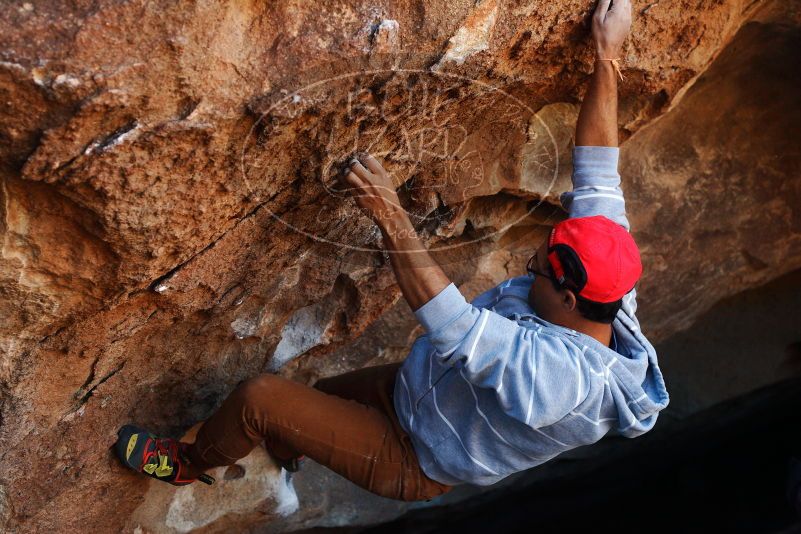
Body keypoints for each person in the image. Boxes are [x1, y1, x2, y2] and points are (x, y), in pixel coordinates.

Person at [115, 0, 668, 501]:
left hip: (413, 456)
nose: (527, 271)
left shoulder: (563, 382)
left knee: (260, 400)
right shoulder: (607, 277)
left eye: (537, 271)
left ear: (570, 300)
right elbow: (599, 173)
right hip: (412, 390)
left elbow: (455, 327)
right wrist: (606, 52)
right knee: (318, 396)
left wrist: (388, 212)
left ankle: (187, 462)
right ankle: (289, 445)